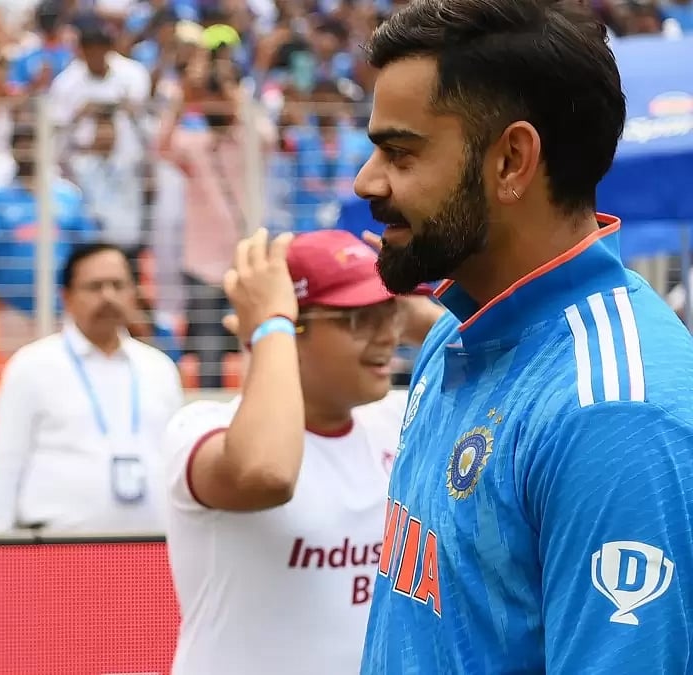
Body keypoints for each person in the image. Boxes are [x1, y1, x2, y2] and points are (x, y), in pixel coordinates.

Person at [354, 0, 693, 672]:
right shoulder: (453, 335)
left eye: (399, 151)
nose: (367, 180)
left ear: (511, 159)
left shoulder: (617, 413)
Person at [162, 229, 441, 674]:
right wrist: (270, 326)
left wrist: (410, 311)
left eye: (388, 314)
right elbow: (267, 474)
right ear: (290, 328)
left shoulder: (397, 418)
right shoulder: (203, 429)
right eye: (356, 320)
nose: (388, 338)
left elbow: (510, 360)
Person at [0, 242, 184, 534]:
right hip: (58, 550)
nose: (108, 296)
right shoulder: (32, 366)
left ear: (134, 292)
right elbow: (5, 462)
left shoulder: (159, 368)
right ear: (67, 296)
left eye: (118, 285)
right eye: (95, 287)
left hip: (151, 548)